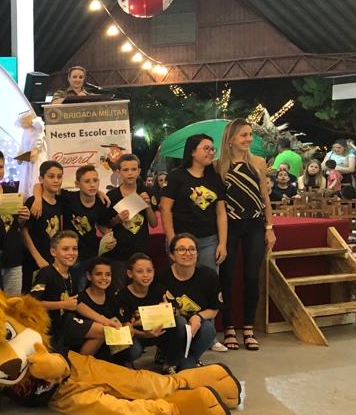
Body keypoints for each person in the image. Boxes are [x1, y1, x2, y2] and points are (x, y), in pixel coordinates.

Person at [216, 119, 276, 352]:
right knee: (227, 277)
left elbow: (264, 197)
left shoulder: (258, 162)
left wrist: (269, 228)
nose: (248, 139)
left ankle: (248, 327)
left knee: (252, 277)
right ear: (230, 139)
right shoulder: (218, 165)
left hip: (254, 225)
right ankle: (229, 326)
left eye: (250, 134)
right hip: (229, 226)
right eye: (243, 135)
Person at [33, 164, 112, 290]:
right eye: (87, 181)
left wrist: (108, 237)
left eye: (95, 180)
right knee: (73, 289)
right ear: (77, 184)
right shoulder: (68, 198)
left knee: (91, 289)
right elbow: (39, 185)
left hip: (92, 253)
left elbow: (103, 225)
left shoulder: (101, 202)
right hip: (71, 255)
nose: (92, 185)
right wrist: (37, 199)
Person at [160, 133, 227, 272]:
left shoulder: (215, 178)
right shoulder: (176, 176)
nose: (211, 152)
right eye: (206, 148)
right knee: (181, 278)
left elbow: (221, 213)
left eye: (213, 149)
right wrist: (172, 241)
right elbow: (165, 209)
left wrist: (222, 243)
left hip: (209, 239)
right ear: (192, 152)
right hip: (181, 238)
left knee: (209, 277)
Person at [118, 253, 189, 375]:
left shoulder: (158, 289)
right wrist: (145, 334)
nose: (145, 275)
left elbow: (179, 309)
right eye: (139, 271)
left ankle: (170, 363)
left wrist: (167, 309)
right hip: (138, 336)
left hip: (159, 332)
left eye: (149, 271)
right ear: (130, 273)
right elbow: (124, 329)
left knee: (180, 321)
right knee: (132, 349)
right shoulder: (122, 296)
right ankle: (126, 364)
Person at [160, 234, 220, 368]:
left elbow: (214, 309)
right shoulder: (162, 277)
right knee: (180, 322)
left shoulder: (209, 275)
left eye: (192, 249)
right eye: (181, 249)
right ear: (172, 255)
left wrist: (198, 316)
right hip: (170, 331)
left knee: (209, 329)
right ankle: (170, 360)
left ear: (197, 253)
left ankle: (188, 358)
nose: (188, 253)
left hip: (195, 329)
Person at [0, 147, 30, 295]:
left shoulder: (12, 192)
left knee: (13, 301)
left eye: (0, 167)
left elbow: (17, 225)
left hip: (13, 257)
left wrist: (23, 218)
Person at [71, 258, 139, 365]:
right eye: (98, 274)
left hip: (112, 345)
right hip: (89, 347)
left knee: (134, 348)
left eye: (108, 274)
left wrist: (128, 326)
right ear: (89, 276)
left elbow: (122, 320)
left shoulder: (113, 296)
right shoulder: (79, 299)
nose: (104, 278)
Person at [105, 154, 156, 289]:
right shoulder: (112, 196)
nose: (130, 173)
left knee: (142, 288)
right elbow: (106, 224)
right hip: (119, 253)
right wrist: (117, 219)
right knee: (119, 289)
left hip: (141, 250)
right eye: (126, 170)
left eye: (133, 169)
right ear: (118, 172)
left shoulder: (146, 192)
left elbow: (154, 223)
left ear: (139, 171)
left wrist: (148, 205)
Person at [29, 231, 80, 344]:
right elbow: (33, 303)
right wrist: (62, 304)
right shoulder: (46, 273)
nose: (71, 253)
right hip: (47, 329)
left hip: (64, 325)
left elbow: (76, 304)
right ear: (53, 252)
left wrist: (103, 319)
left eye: (74, 249)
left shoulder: (73, 274)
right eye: (65, 249)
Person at [22, 161, 65, 278]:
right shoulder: (33, 202)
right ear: (41, 179)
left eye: (59, 177)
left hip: (54, 260)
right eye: (51, 176)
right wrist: (38, 258)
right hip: (34, 261)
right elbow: (24, 231)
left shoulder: (60, 201)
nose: (56, 180)